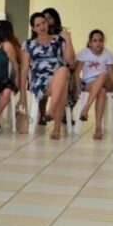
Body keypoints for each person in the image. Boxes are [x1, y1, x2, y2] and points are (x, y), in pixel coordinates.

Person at [19, 12, 74, 140]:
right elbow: (24, 69)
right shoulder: (28, 44)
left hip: (59, 77)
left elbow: (70, 61)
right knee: (63, 79)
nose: (42, 26)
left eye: (43, 22)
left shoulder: (59, 40)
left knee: (63, 72)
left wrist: (69, 40)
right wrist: (22, 94)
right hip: (40, 81)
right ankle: (56, 127)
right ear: (33, 29)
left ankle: (51, 110)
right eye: (38, 25)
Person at [74, 29, 113, 140]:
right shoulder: (84, 53)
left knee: (103, 75)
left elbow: (111, 73)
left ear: (103, 42)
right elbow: (76, 73)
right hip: (90, 83)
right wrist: (78, 88)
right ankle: (98, 128)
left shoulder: (108, 54)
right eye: (95, 41)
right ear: (90, 43)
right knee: (101, 91)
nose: (98, 43)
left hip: (106, 81)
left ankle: (86, 109)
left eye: (100, 40)